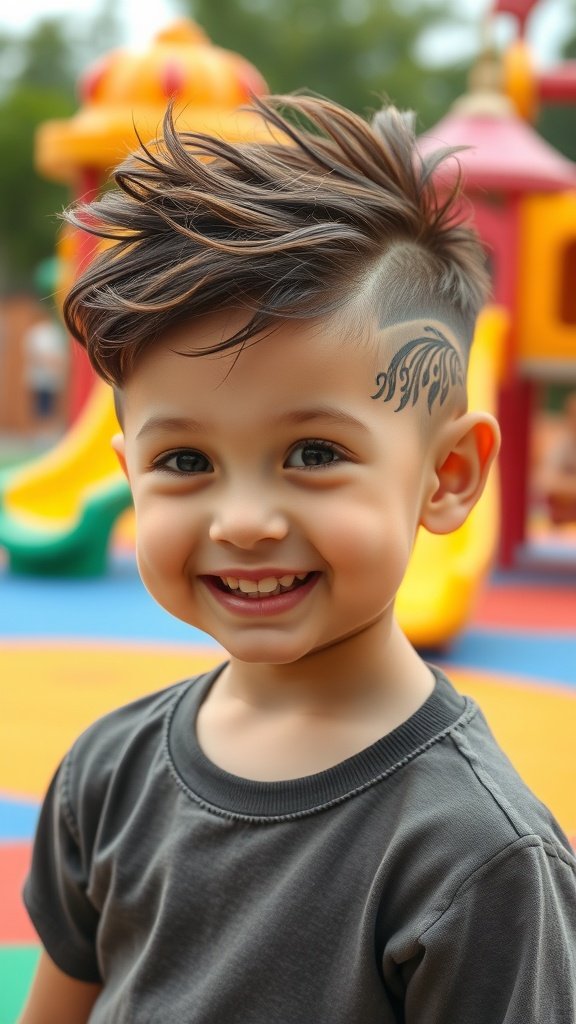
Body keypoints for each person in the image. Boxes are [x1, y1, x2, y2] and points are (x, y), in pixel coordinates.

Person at [19, 95, 576, 1024]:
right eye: (184, 462)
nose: (241, 521)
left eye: (314, 454)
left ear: (447, 474)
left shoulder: (477, 859)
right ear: (129, 478)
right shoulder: (105, 773)